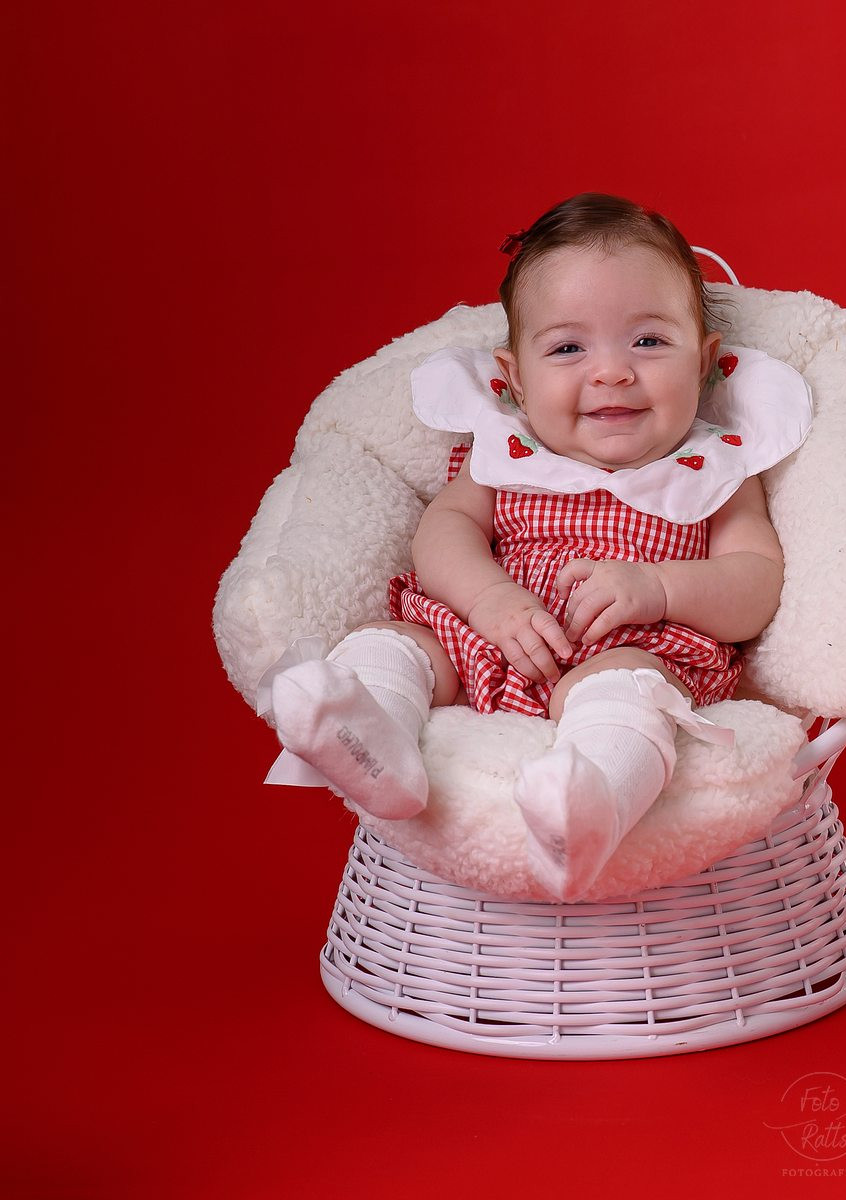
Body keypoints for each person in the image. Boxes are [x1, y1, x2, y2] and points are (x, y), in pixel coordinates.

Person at [268, 193, 810, 899]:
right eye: (567, 348)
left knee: (625, 686)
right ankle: (373, 743)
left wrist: (659, 588)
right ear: (516, 380)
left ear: (705, 361)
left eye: (649, 342)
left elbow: (756, 580)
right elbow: (445, 531)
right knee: (399, 641)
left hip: (632, 647)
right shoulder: (506, 450)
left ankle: (590, 804)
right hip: (485, 637)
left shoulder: (715, 468)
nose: (612, 372)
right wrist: (488, 599)